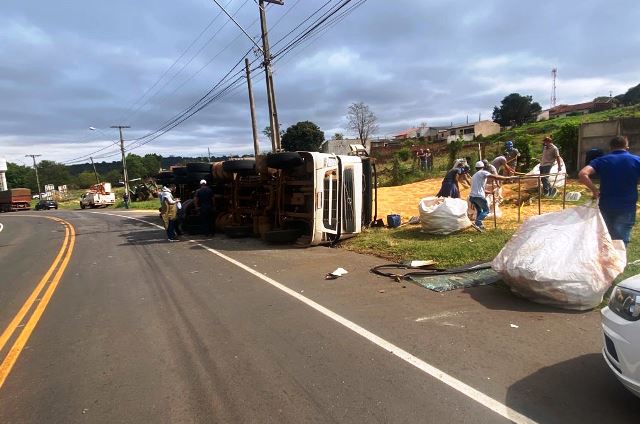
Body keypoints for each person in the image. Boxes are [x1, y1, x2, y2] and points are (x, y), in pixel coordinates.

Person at [578, 135, 640, 246]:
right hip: (627, 207)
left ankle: (605, 261)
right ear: (627, 147)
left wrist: (594, 190)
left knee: (605, 238)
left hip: (605, 205)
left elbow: (583, 174)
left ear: (610, 147)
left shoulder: (601, 160)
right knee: (621, 241)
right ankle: (618, 262)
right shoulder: (636, 160)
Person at [469, 161, 510, 231]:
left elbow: (481, 189)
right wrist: (505, 178)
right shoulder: (483, 172)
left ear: (476, 168)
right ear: (483, 167)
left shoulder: (473, 176)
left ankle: (479, 225)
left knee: (479, 211)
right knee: (486, 210)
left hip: (472, 197)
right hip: (479, 196)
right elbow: (495, 177)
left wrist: (490, 192)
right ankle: (477, 223)